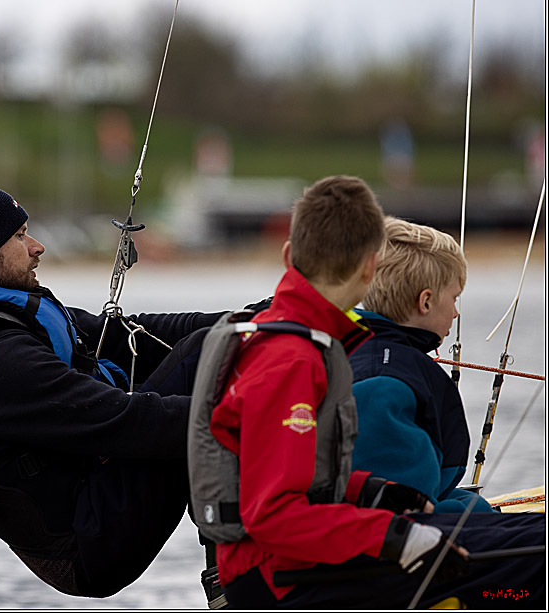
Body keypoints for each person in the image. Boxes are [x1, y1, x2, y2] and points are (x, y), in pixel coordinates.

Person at [0, 177, 252, 598]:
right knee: (208, 364)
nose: (37, 247)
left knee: (216, 344)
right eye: (19, 236)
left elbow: (132, 336)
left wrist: (260, 319)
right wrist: (256, 414)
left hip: (93, 491)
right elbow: (123, 421)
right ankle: (240, 575)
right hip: (85, 544)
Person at [197, 175, 544, 609]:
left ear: (288, 256)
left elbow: (289, 474)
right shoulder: (292, 360)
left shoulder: (290, 338)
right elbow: (271, 515)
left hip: (291, 562)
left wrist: (369, 490)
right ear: (368, 268)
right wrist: (396, 535)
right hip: (287, 578)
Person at [350, 217, 494, 513]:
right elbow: (398, 509)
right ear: (425, 302)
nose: (455, 313)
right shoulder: (382, 381)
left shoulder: (366, 354)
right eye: (454, 298)